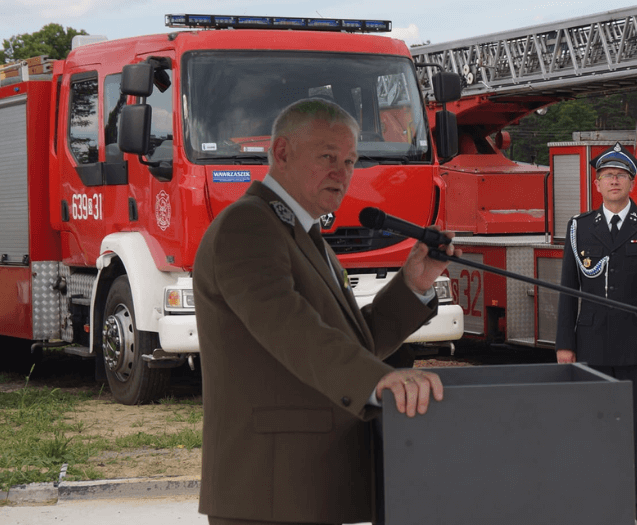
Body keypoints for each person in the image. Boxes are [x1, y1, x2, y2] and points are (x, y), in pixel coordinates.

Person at [194, 98, 458, 525]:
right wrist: (378, 381)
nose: (342, 172)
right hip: (270, 490)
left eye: (350, 161)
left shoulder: (301, 233)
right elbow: (291, 329)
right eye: (327, 157)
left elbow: (353, 342)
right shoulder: (248, 227)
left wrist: (413, 285)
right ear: (281, 153)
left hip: (304, 485)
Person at [555, 142, 637, 525]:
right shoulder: (579, 229)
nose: (614, 181)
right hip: (592, 345)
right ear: (597, 184)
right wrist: (564, 345)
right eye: (608, 176)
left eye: (621, 175)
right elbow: (568, 292)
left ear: (631, 182)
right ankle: (603, 503)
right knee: (595, 429)